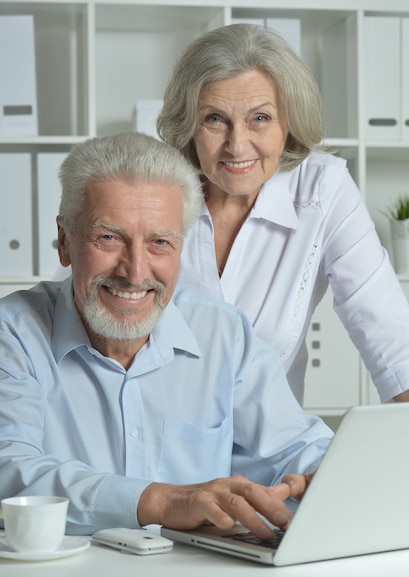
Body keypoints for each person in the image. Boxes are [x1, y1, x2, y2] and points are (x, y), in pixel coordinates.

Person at [0, 131, 333, 537]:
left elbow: (295, 447)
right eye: (108, 237)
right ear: (65, 241)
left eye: (160, 242)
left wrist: (324, 476)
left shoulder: (223, 335)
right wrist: (161, 502)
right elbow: (10, 471)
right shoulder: (12, 334)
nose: (135, 272)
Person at [156, 23, 409, 405]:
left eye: (260, 118)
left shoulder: (322, 188)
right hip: (149, 450)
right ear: (189, 123)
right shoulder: (148, 187)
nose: (237, 145)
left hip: (271, 454)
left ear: (288, 121)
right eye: (214, 119)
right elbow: (68, 311)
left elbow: (393, 343)